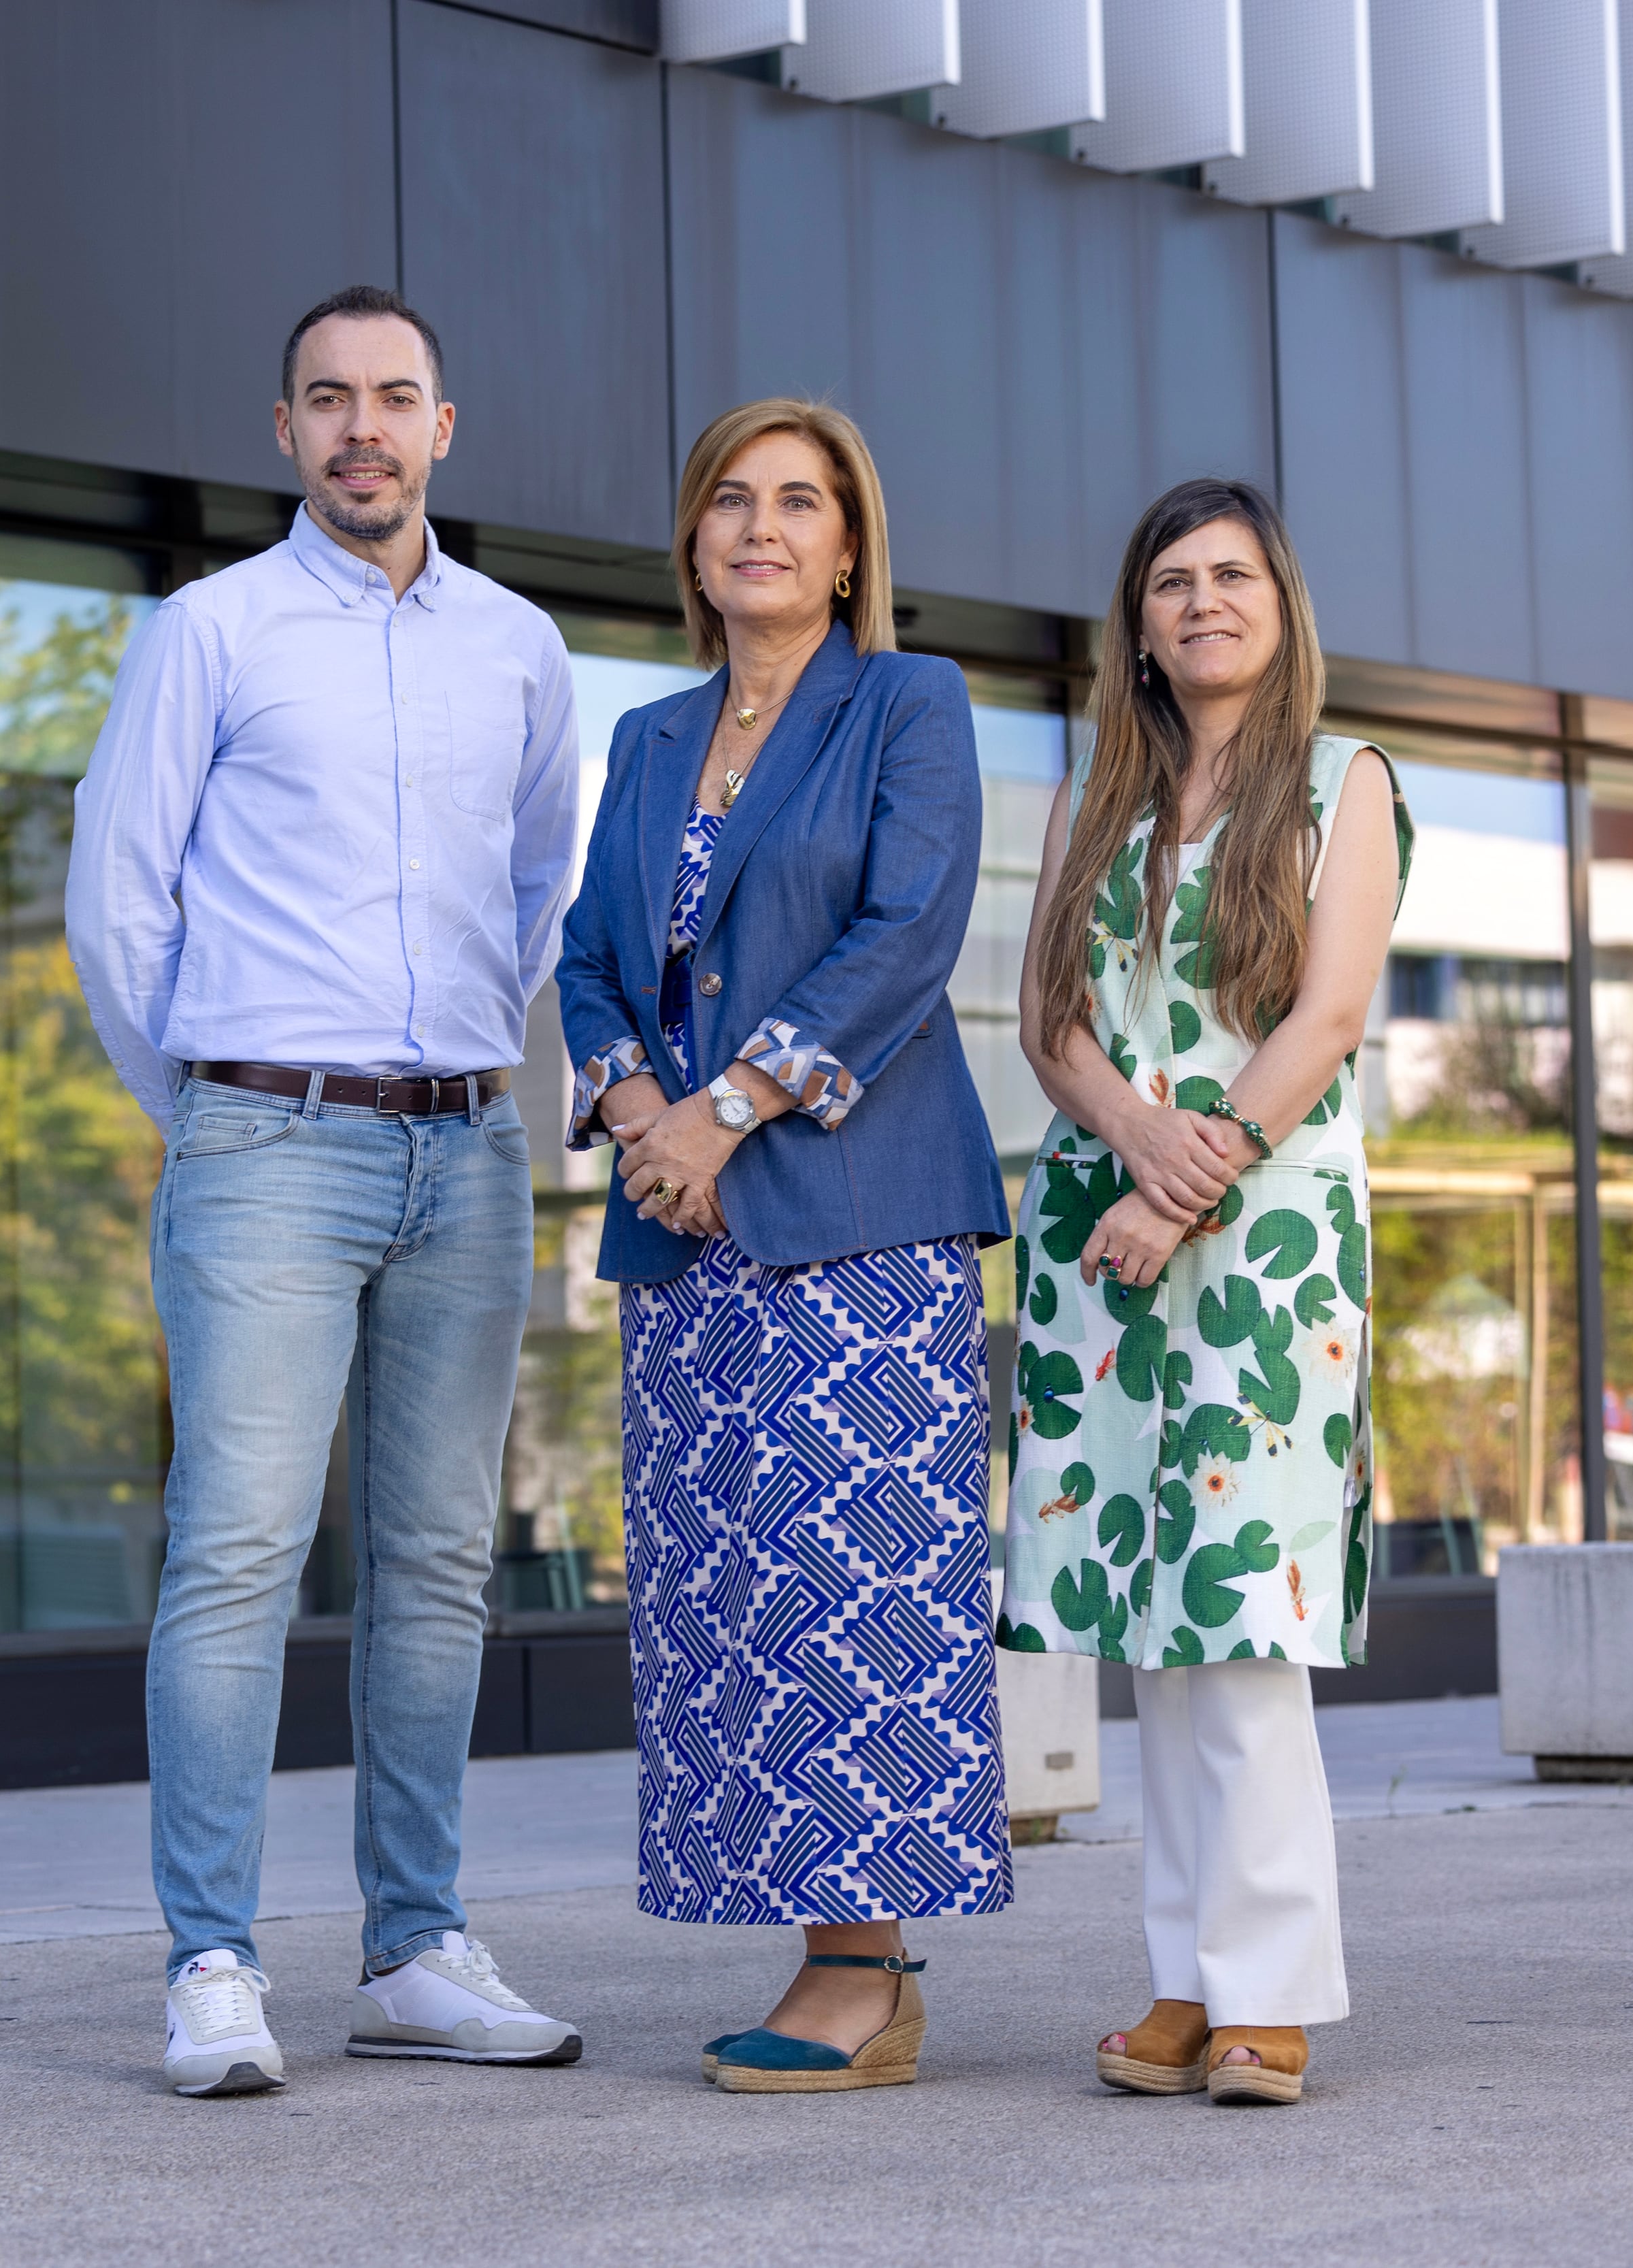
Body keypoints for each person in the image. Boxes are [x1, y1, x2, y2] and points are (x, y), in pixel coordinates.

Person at [65, 285, 585, 2098]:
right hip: (266, 1140)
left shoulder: (521, 648)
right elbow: (120, 909)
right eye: (327, 400)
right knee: (238, 1550)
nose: (362, 428)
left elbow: (539, 892)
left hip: (469, 1145)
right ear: (281, 431)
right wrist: (219, 1104)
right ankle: (211, 1960)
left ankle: (417, 1944)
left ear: (447, 424)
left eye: (395, 397)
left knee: (440, 1560)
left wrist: (458, 1071)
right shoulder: (207, 635)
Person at [555, 397, 1010, 2094]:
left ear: (847, 548)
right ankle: (805, 1939)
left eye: (798, 503)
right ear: (693, 542)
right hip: (686, 1229)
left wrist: (726, 1108)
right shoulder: (650, 738)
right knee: (731, 1599)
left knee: (853, 1594)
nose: (760, 525)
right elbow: (590, 960)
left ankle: (864, 1971)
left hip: (855, 1217)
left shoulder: (907, 702)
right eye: (730, 500)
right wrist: (633, 1117)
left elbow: (910, 933)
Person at [997, 476, 1410, 2107]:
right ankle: (1186, 1975)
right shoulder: (1092, 792)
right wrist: (1136, 1144)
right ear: (1140, 625)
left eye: (1231, 574)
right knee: (1144, 1622)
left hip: (1265, 1239)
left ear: (1278, 603)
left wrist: (1193, 1173)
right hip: (1106, 1224)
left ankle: (1269, 1986)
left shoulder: (1342, 778)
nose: (1202, 601)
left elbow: (1324, 1016)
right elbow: (1049, 1022)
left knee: (1239, 1615)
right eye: (1171, 581)